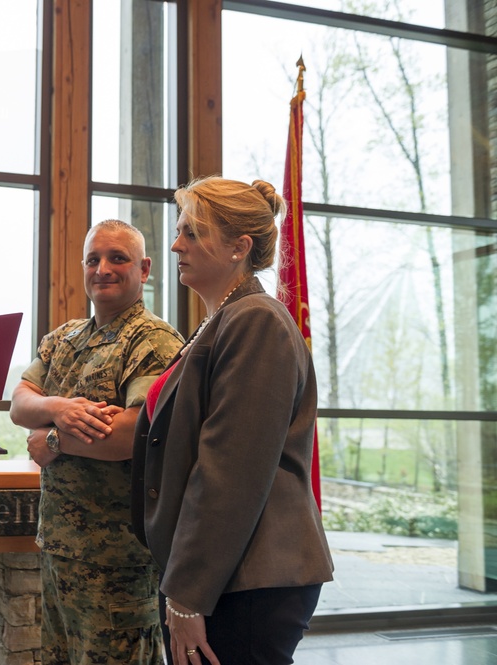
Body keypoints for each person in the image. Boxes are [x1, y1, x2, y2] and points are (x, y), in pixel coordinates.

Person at [131, 176, 334, 665]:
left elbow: (230, 473)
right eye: (179, 231)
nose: (176, 244)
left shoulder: (255, 319)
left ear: (238, 248)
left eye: (192, 233)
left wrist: (188, 593)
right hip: (225, 575)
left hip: (244, 580)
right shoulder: (221, 320)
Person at [9, 219, 184, 664]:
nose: (102, 269)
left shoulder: (153, 342)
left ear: (144, 269)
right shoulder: (64, 338)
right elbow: (19, 403)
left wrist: (52, 440)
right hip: (62, 550)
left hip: (119, 563)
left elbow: (132, 434)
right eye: (93, 259)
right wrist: (59, 410)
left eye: (117, 258)